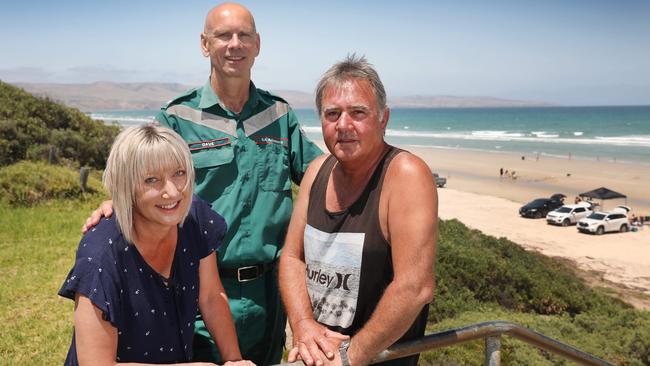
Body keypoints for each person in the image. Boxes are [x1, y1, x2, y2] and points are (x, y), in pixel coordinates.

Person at [82, 3, 322, 364]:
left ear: (258, 44)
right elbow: (143, 175)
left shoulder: (279, 114)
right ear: (204, 44)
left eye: (244, 36)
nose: (234, 44)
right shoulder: (177, 117)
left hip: (269, 295)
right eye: (223, 35)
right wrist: (118, 203)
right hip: (197, 288)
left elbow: (320, 174)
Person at [278, 55, 438, 366]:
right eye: (332, 114)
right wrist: (302, 324)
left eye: (358, 113)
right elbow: (291, 257)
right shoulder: (316, 171)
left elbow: (416, 286)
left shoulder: (405, 175)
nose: (343, 125)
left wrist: (352, 356)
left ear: (383, 118)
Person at [60, 125, 253, 365]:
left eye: (179, 173)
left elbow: (211, 296)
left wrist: (234, 360)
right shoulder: (100, 256)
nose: (172, 192)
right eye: (152, 179)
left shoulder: (194, 218)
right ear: (125, 185)